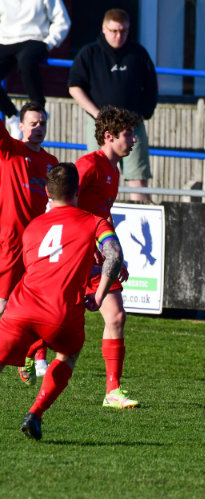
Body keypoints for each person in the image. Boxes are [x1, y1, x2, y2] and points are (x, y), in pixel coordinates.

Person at [0, 162, 123, 441]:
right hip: (61, 315)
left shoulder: (33, 227)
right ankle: (35, 413)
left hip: (21, 308)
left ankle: (29, 355)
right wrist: (100, 293)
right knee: (68, 355)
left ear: (47, 192)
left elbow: (46, 266)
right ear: (78, 190)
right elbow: (114, 255)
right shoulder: (95, 222)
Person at [75, 105, 140, 409]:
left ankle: (112, 391)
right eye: (128, 134)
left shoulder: (113, 170)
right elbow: (60, 202)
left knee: (116, 316)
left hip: (98, 256)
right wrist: (77, 239)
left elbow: (104, 214)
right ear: (109, 136)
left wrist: (116, 255)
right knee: (59, 319)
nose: (134, 140)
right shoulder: (88, 165)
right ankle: (31, 349)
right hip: (73, 254)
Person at [68, 8, 157, 204]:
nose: (119, 36)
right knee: (97, 172)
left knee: (137, 177)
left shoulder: (138, 54)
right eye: (114, 31)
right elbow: (74, 87)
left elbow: (151, 88)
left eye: (123, 31)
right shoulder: (89, 53)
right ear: (104, 29)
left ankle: (140, 211)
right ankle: (94, 213)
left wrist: (142, 114)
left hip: (132, 125)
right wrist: (98, 114)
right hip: (100, 125)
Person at [0, 101, 58, 383]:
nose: (38, 128)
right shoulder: (10, 150)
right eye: (33, 123)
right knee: (4, 305)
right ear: (20, 126)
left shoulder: (52, 163)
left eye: (42, 123)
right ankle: (26, 355)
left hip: (39, 245)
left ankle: (34, 356)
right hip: (10, 242)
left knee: (40, 304)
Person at [0, 0, 69, 139]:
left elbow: (62, 20)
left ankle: (38, 109)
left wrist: (49, 43)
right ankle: (13, 116)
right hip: (5, 41)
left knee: (26, 63)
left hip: (35, 39)